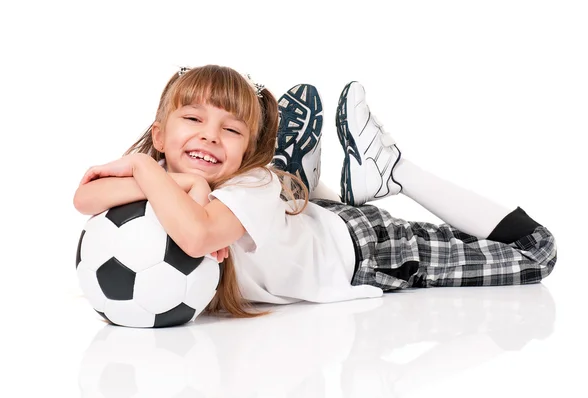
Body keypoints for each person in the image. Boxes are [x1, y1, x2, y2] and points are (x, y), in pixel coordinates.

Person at [73, 65, 557, 319]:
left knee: (537, 253)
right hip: (301, 226)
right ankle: (299, 182)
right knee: (282, 199)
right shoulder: (167, 178)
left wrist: (139, 165)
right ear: (160, 135)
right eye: (193, 119)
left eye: (231, 130)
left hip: (366, 249)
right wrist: (186, 181)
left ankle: (390, 170)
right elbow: (84, 199)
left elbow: (198, 238)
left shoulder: (249, 184)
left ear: (246, 154)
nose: (209, 137)